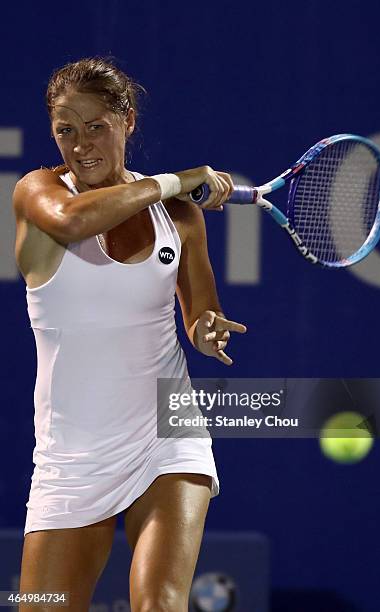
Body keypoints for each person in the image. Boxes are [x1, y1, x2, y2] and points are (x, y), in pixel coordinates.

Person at [13, 57, 247, 612]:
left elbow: (199, 313)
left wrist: (206, 329)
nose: (80, 144)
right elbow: (73, 221)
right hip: (71, 456)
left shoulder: (180, 217)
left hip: (166, 431)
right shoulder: (37, 193)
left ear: (128, 122)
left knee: (160, 604)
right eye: (65, 131)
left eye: (97, 126)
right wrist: (178, 181)